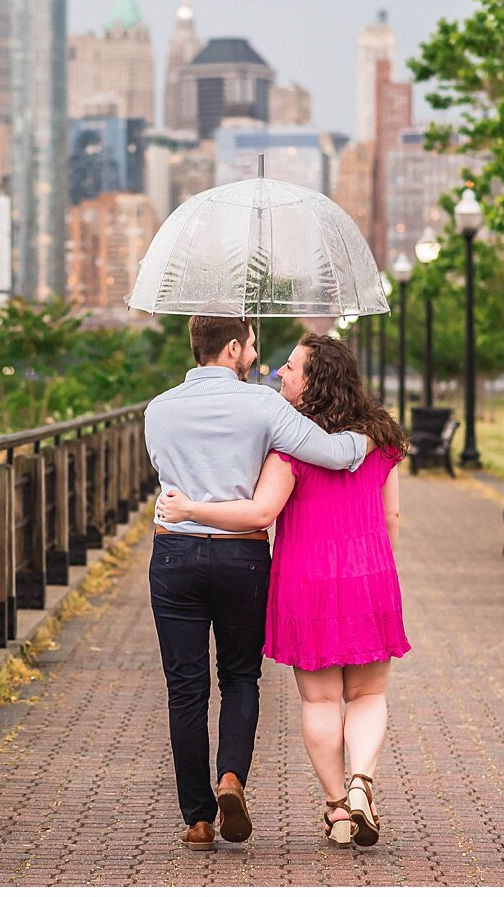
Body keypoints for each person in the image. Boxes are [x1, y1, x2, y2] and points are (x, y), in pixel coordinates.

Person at [156, 331, 410, 848]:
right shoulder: (380, 439)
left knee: (313, 701)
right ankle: (358, 784)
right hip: (365, 574)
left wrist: (187, 509)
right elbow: (392, 516)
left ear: (315, 380)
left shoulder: (284, 446)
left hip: (297, 578)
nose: (277, 372)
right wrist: (377, 565)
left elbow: (262, 510)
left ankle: (329, 809)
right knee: (364, 693)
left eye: (291, 368)